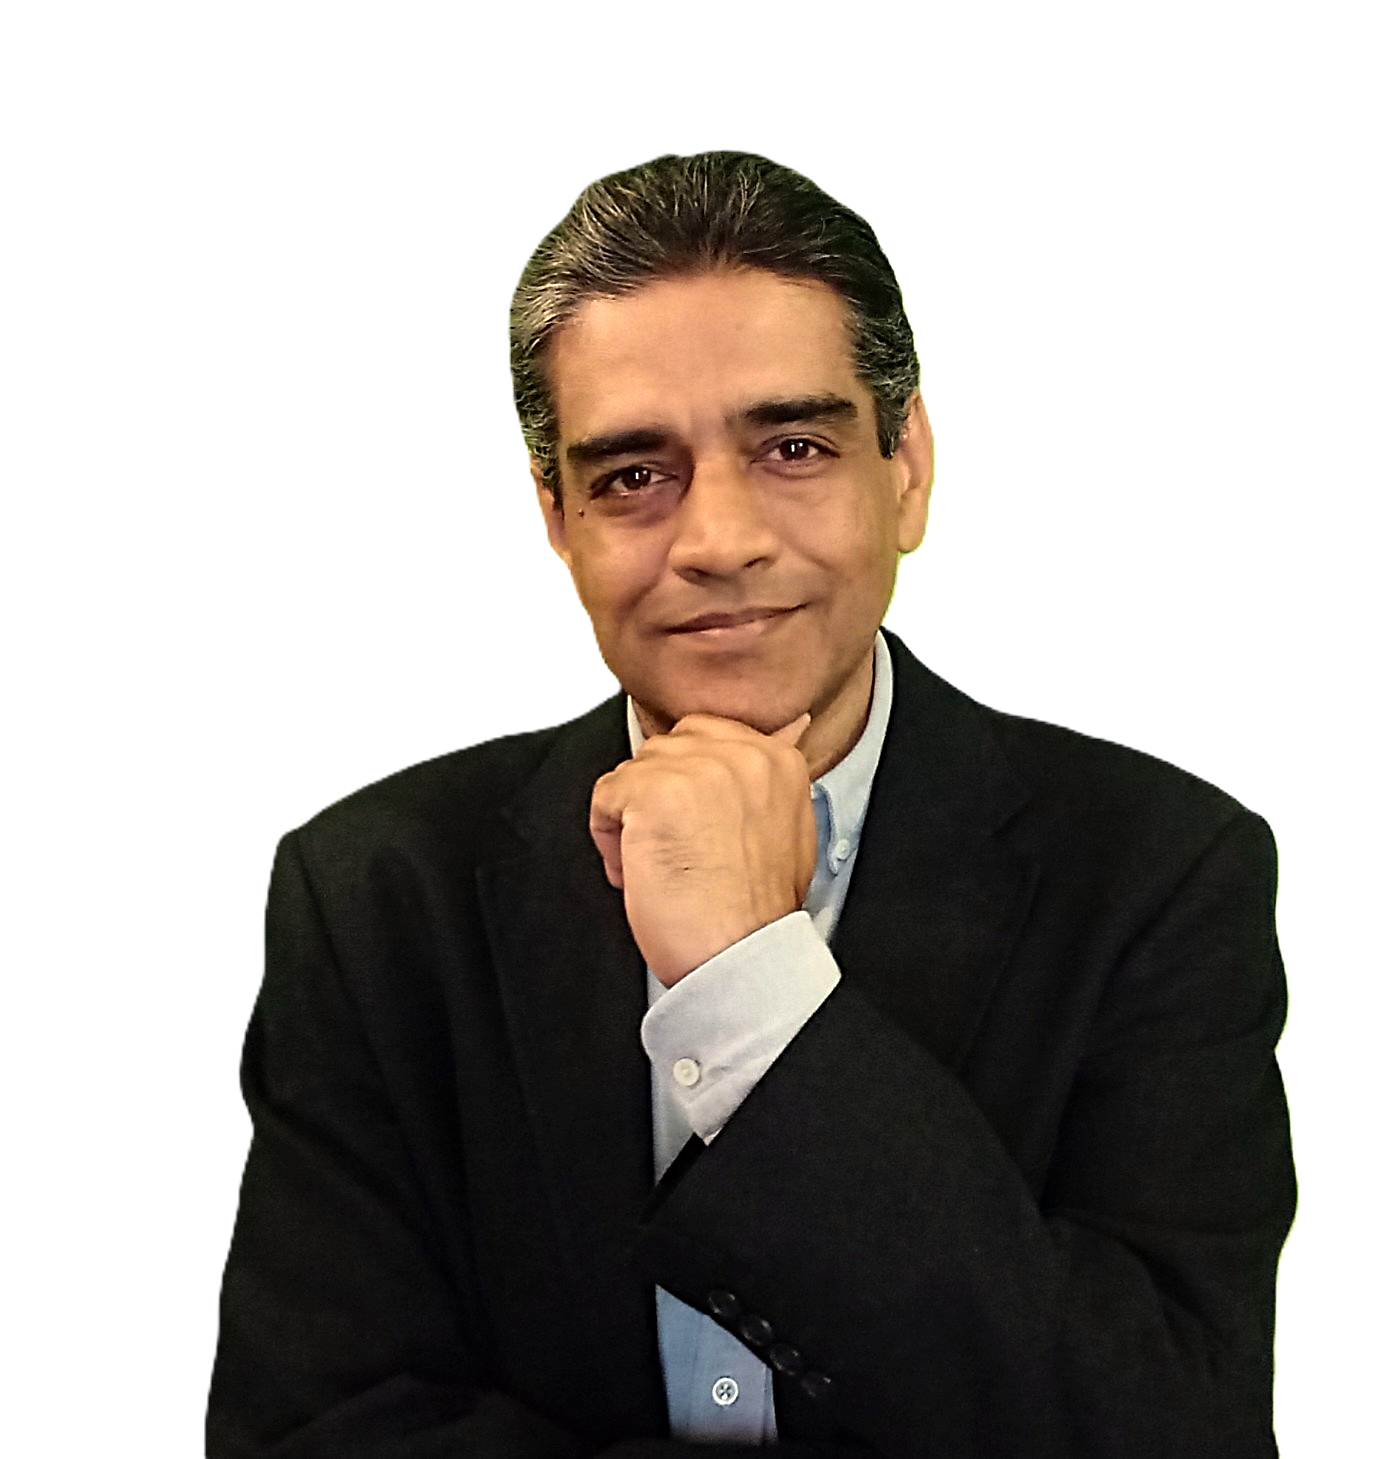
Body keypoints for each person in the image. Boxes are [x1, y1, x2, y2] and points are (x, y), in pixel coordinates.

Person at [205, 148, 1295, 1459]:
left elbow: (1166, 1426)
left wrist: (750, 987)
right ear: (554, 515)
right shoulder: (374, 892)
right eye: (631, 475)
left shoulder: (1158, 870)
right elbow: (315, 1431)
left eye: (791, 446)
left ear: (905, 467)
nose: (717, 539)